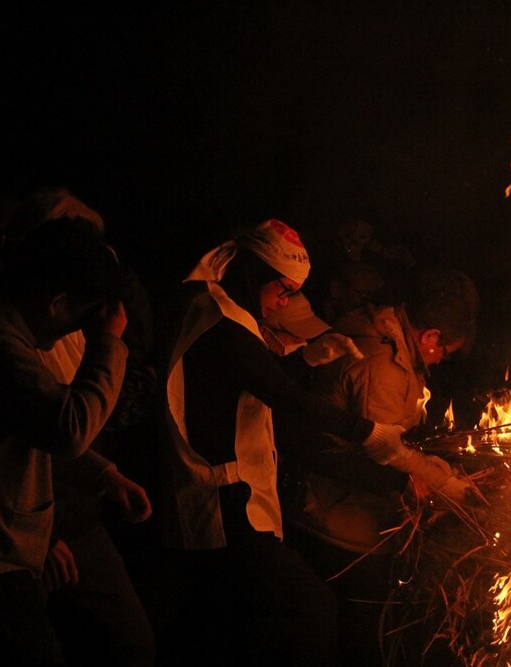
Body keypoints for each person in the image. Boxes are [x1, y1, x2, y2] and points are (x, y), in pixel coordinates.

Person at [155, 219, 463, 666]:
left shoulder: (230, 315)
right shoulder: (219, 321)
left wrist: (305, 357)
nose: (285, 301)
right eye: (281, 288)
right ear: (253, 273)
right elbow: (281, 396)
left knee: (249, 621)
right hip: (221, 501)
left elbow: (262, 383)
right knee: (310, 610)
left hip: (239, 499)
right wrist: (369, 434)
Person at [0, 188, 157, 666]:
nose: (77, 329)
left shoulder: (11, 330)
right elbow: (67, 427)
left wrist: (103, 474)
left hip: (16, 543)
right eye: (78, 314)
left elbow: (31, 429)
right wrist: (107, 341)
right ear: (57, 302)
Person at [279, 266, 479, 665]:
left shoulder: (389, 337)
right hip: (339, 526)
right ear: (431, 336)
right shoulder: (382, 363)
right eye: (445, 352)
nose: (439, 362)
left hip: (346, 516)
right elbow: (387, 455)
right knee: (357, 640)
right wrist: (451, 487)